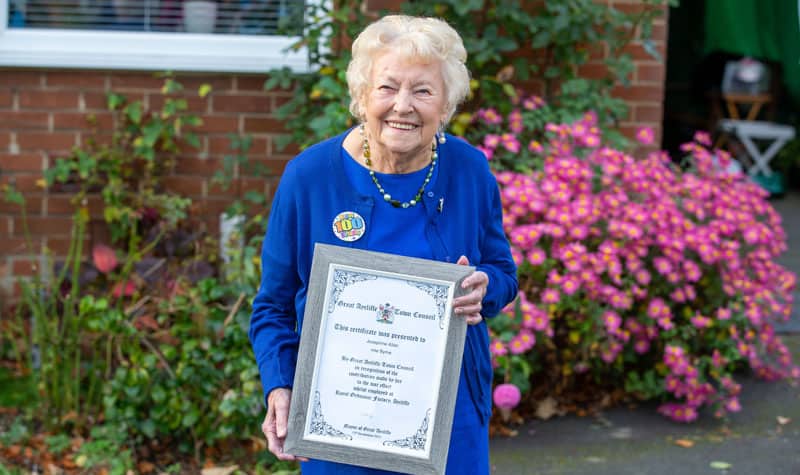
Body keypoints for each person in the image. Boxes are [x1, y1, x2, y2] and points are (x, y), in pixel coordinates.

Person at [249, 14, 518, 474]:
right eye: (387, 88)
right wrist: (280, 387)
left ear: (446, 102)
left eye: (423, 91)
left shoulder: (470, 171)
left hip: (448, 421)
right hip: (338, 421)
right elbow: (272, 305)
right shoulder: (309, 177)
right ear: (362, 96)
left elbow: (501, 270)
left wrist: (484, 287)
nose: (403, 106)